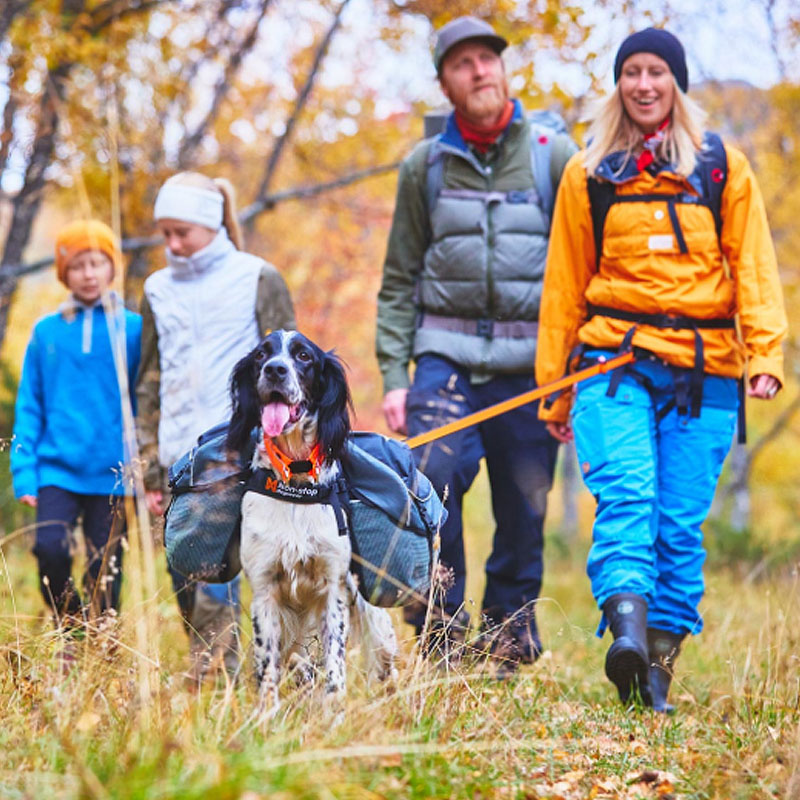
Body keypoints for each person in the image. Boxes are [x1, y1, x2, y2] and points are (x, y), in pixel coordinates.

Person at [535, 28, 787, 710]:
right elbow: (563, 286)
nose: (644, 84)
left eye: (657, 72)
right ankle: (628, 636)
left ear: (676, 82)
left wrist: (765, 354)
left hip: (707, 372)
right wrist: (554, 394)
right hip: (611, 365)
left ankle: (655, 675)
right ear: (619, 85)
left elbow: (754, 268)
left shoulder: (720, 167)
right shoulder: (586, 174)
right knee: (627, 498)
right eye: (632, 72)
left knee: (678, 523)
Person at [376, 16, 577, 671]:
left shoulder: (554, 154)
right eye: (463, 63)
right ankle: (439, 626)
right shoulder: (423, 167)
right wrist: (394, 376)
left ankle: (511, 633)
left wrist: (577, 367)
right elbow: (399, 278)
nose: (480, 70)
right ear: (445, 83)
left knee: (525, 504)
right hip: (447, 359)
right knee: (429, 478)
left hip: (532, 365)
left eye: (488, 57)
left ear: (503, 68)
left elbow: (582, 268)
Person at [136, 171, 295, 682]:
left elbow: (292, 366)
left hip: (243, 448)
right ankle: (217, 671)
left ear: (209, 225)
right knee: (187, 572)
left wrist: (288, 450)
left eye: (181, 232)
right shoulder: (157, 289)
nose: (172, 244)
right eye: (164, 234)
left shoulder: (257, 277)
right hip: (178, 451)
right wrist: (148, 462)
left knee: (228, 575)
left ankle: (225, 685)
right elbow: (149, 378)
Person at [11, 220, 141, 628]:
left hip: (114, 472)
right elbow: (30, 405)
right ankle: (70, 626)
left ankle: (102, 647)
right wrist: (24, 469)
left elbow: (147, 400)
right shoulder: (47, 332)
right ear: (64, 273)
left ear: (111, 268)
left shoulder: (134, 329)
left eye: (98, 263)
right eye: (79, 265)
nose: (88, 274)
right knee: (49, 550)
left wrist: (147, 467)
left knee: (105, 567)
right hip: (57, 469)